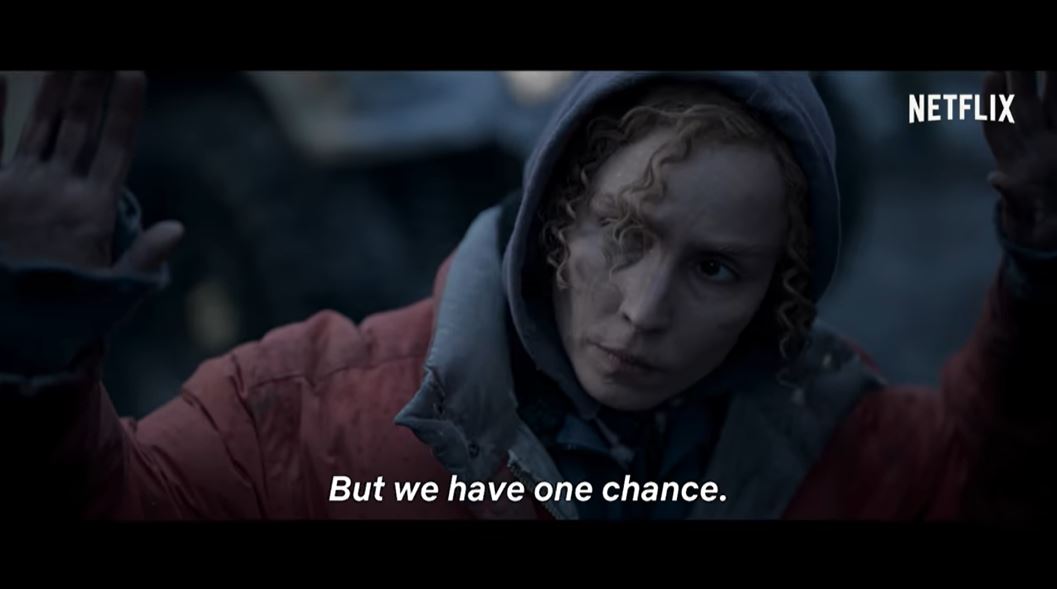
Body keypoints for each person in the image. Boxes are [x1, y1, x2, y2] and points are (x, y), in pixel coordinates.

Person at [0, 71, 1054, 520]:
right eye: (622, 235)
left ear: (776, 296)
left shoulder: (839, 445)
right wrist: (32, 368)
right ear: (556, 215)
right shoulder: (305, 420)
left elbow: (992, 481)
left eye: (715, 269)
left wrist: (1041, 275)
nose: (642, 310)